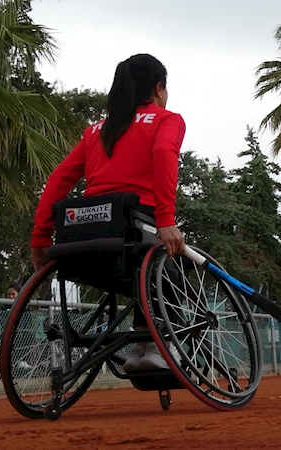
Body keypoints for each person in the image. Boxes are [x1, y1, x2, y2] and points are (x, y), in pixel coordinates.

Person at [30, 53, 186, 372]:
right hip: (133, 226)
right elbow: (163, 155)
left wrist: (40, 237)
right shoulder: (165, 120)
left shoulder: (96, 132)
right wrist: (167, 220)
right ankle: (157, 345)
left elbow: (59, 179)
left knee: (142, 265)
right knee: (171, 267)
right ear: (159, 89)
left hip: (84, 237)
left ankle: (141, 346)